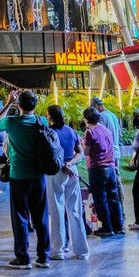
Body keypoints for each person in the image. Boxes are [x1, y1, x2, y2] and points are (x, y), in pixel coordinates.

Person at [0, 90, 51, 268]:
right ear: (35, 106)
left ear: (19, 105)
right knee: (41, 216)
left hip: (19, 175)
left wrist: (8, 102)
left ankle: (22, 257)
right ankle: (43, 256)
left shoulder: (12, 123)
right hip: (38, 174)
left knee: (20, 216)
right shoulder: (41, 121)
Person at [44, 104, 89, 260]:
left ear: (50, 116)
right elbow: (80, 153)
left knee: (56, 212)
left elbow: (48, 154)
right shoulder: (71, 131)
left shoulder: (49, 132)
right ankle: (82, 250)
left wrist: (64, 165)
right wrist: (70, 164)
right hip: (72, 172)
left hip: (56, 172)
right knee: (75, 211)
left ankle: (58, 249)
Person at [82, 106, 124, 237]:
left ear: (86, 119)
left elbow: (86, 152)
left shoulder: (90, 133)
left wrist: (82, 143)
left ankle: (107, 226)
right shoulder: (106, 130)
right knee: (113, 197)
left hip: (97, 168)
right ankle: (118, 226)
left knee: (100, 198)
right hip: (110, 167)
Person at [91, 96, 124, 207]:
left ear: (96, 106)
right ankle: (121, 206)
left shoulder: (101, 117)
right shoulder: (113, 115)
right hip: (116, 152)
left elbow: (101, 137)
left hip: (108, 155)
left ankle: (114, 207)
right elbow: (120, 134)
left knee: (109, 184)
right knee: (117, 181)